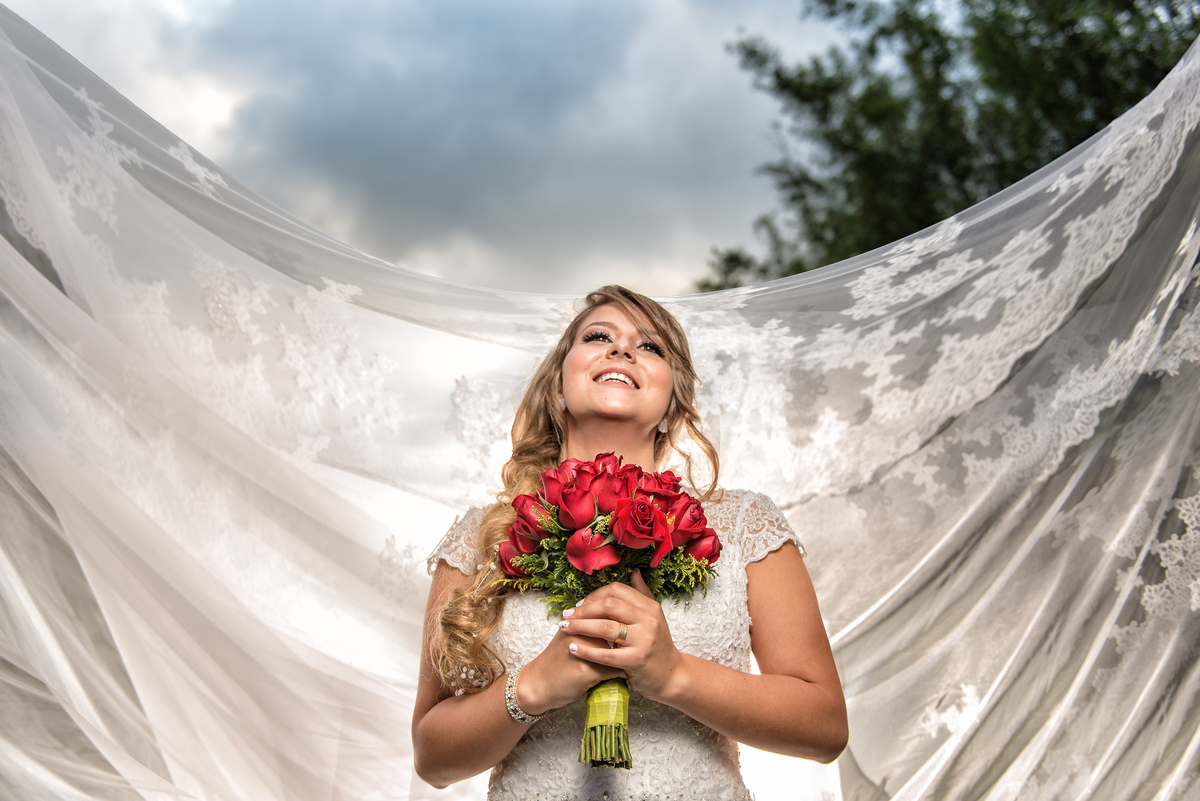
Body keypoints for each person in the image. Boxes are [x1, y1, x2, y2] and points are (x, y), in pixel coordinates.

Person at [412, 285, 847, 800]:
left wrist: (674, 674)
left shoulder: (744, 525)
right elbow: (432, 760)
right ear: (557, 385)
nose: (622, 350)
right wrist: (531, 688)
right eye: (599, 336)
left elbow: (825, 729)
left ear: (671, 403)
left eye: (650, 347)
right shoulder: (483, 538)